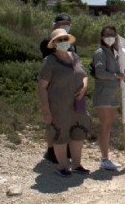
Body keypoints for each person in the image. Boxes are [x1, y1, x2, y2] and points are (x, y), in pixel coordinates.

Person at [37, 29, 90, 177]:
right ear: (53, 44)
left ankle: (77, 164)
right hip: (58, 106)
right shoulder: (49, 61)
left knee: (78, 133)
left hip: (77, 104)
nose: (63, 42)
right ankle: (62, 166)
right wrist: (46, 110)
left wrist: (85, 86)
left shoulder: (75, 57)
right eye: (59, 40)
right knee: (60, 134)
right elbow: (42, 86)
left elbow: (84, 75)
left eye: (65, 39)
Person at [39, 13, 77, 163]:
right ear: (54, 24)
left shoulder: (71, 43)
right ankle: (51, 149)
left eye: (68, 23)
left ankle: (64, 147)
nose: (66, 25)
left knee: (67, 119)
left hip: (69, 88)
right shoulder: (46, 42)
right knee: (52, 120)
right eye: (62, 23)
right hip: (53, 86)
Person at [91, 25, 125, 171]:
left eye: (112, 34)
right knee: (105, 126)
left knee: (109, 126)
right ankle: (104, 159)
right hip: (103, 93)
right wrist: (116, 76)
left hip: (112, 94)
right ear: (101, 37)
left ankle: (106, 157)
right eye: (107, 35)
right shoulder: (100, 53)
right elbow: (99, 72)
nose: (110, 37)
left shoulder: (114, 51)